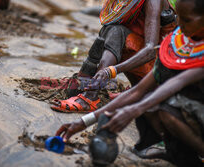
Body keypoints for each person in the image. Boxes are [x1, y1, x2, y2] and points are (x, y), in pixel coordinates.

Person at [55, 0, 204, 166]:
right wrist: (83, 122)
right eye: (180, 19)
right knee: (151, 104)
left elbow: (174, 84)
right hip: (187, 103)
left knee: (161, 109)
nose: (180, 26)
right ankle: (182, 155)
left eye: (187, 20)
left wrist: (132, 109)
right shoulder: (177, 44)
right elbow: (138, 91)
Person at [51, 0, 177, 113]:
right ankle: (85, 82)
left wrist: (111, 71)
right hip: (144, 71)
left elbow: (150, 50)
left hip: (161, 73)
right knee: (109, 29)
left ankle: (89, 97)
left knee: (116, 32)